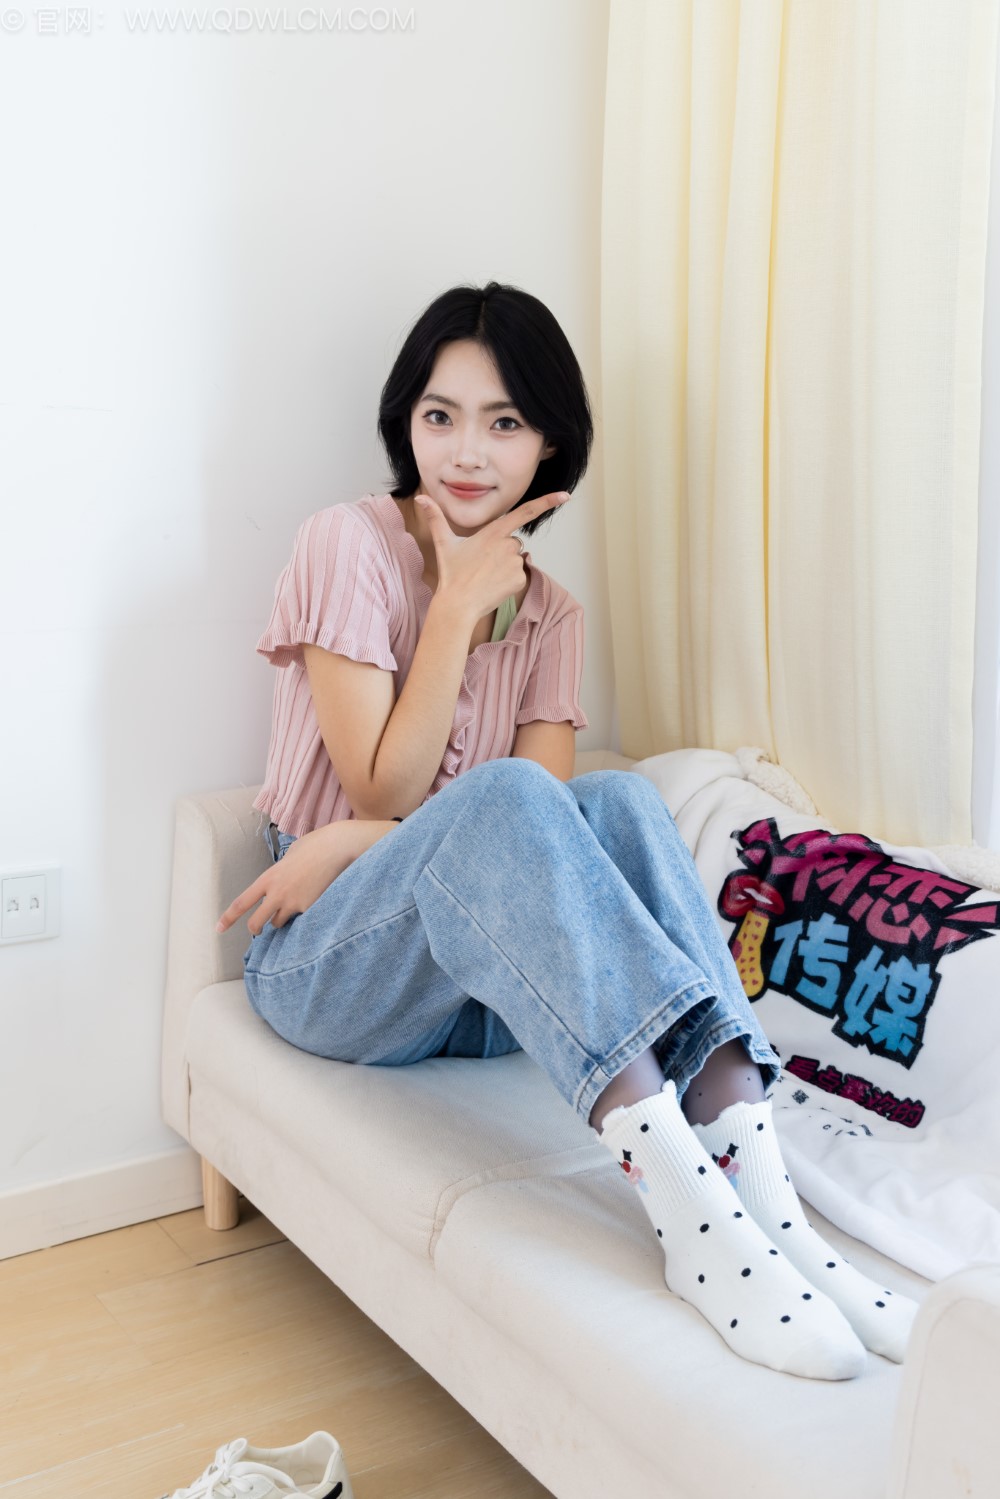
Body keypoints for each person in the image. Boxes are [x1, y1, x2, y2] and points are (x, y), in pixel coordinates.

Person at [217, 282, 915, 1378]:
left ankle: (763, 1192)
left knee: (621, 801)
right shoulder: (344, 545)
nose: (466, 451)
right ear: (405, 421)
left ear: (549, 443)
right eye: (440, 415)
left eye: (504, 422)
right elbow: (380, 781)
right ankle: (694, 1222)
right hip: (328, 962)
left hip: (491, 995)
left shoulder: (552, 614)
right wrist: (453, 609)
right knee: (520, 797)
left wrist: (348, 837)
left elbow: (545, 833)